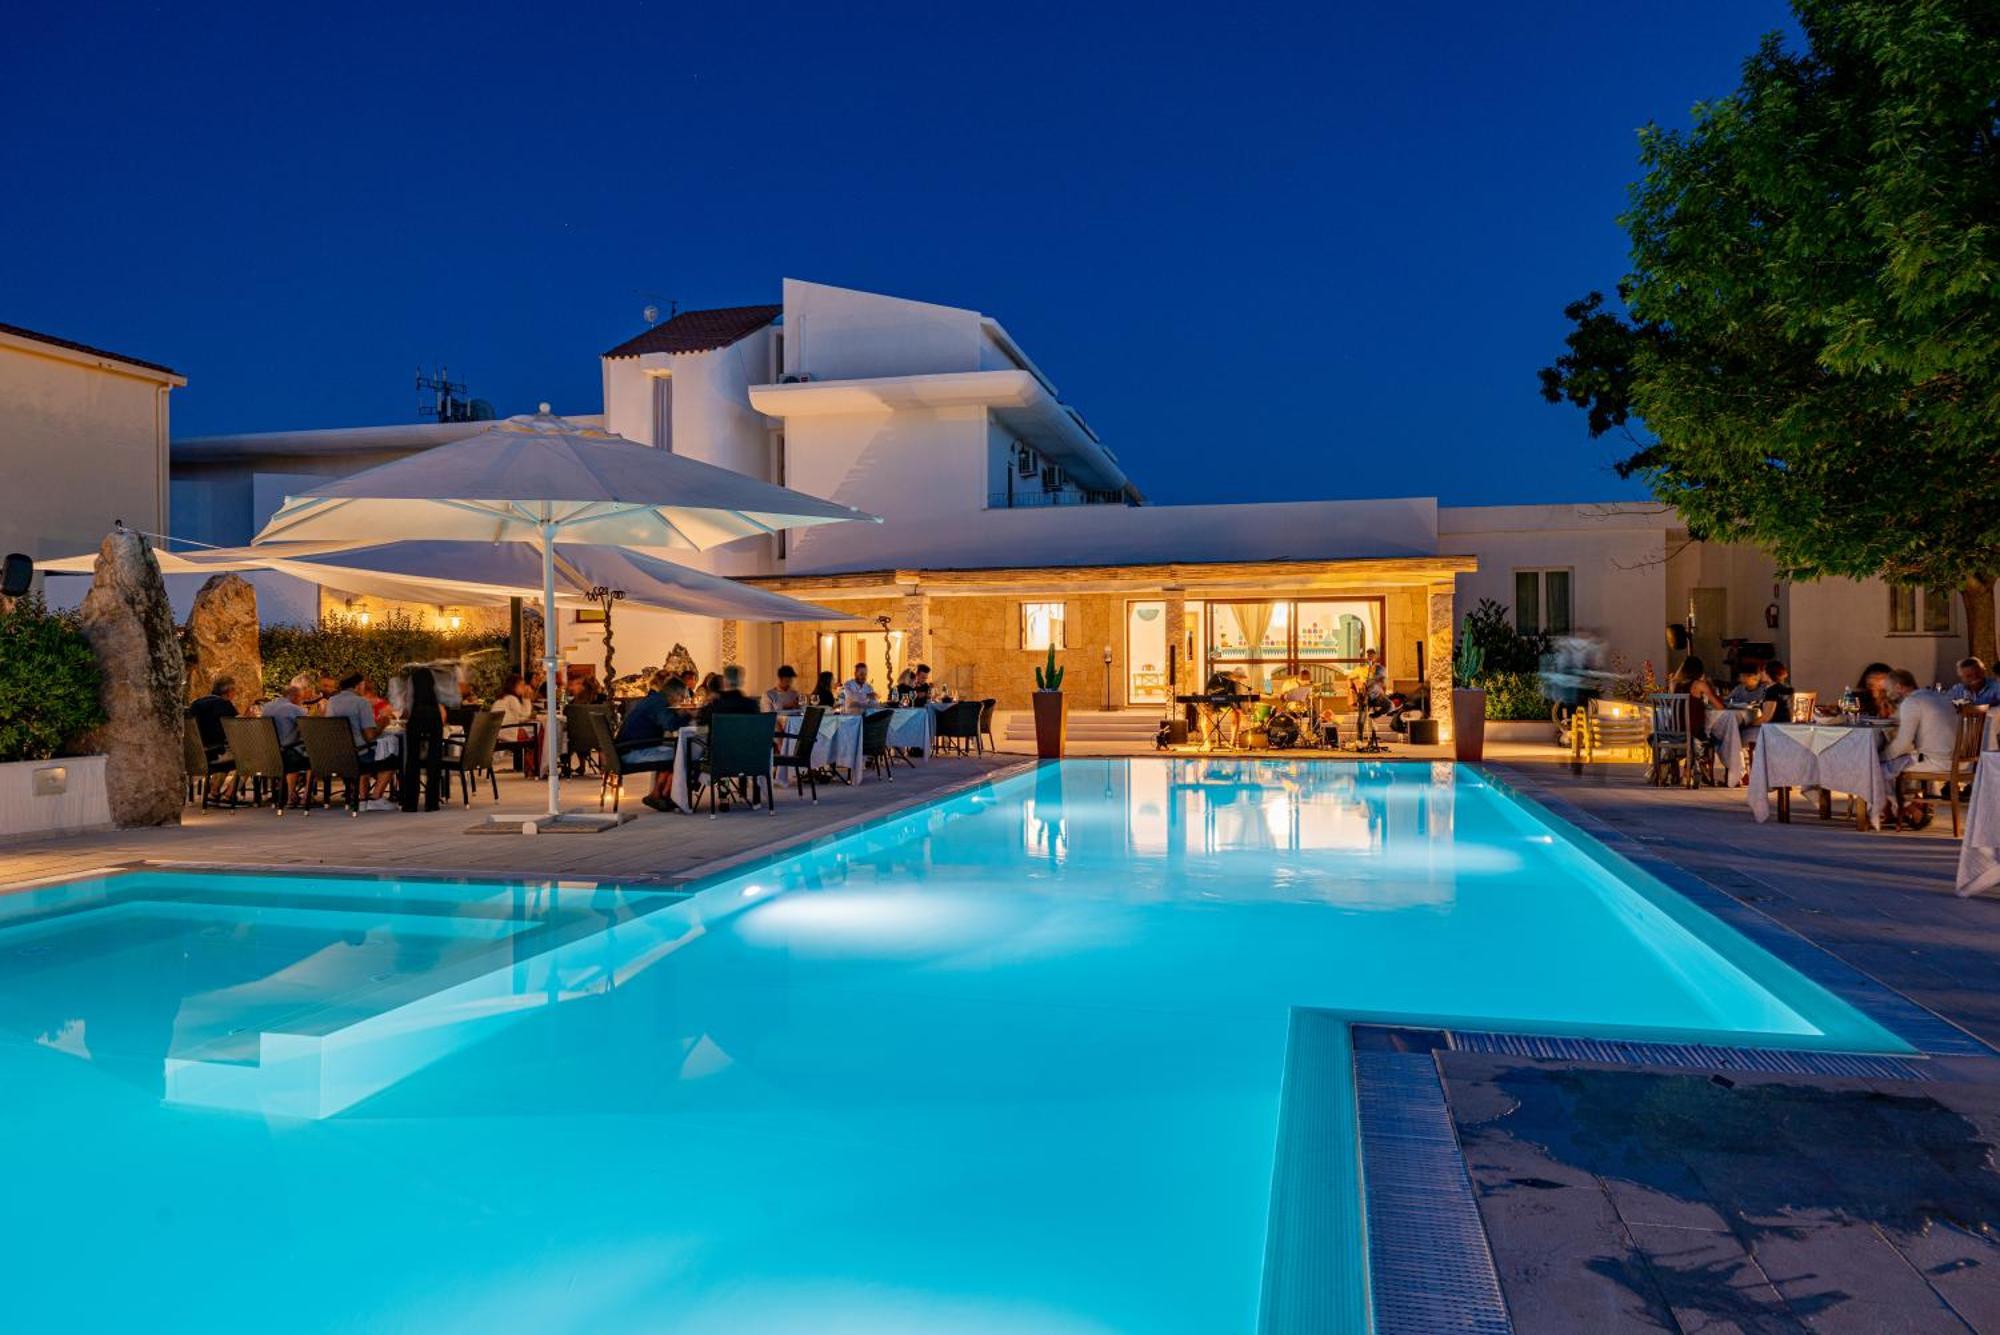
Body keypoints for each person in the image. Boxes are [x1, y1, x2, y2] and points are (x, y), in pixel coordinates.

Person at [617, 671, 694, 812]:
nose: (682, 701)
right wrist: (688, 715)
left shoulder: (654, 699)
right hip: (633, 752)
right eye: (682, 697)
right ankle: (663, 795)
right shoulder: (660, 703)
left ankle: (660, 794)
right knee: (681, 755)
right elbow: (670, 724)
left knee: (674, 751)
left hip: (627, 749)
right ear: (675, 695)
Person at [1670, 656, 1749, 786]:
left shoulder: (1674, 684)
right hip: (1694, 731)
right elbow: (1720, 707)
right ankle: (1730, 770)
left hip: (1676, 730)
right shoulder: (1699, 685)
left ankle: (1688, 773)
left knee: (1713, 730)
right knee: (1721, 733)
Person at [324, 672, 399, 807]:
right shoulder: (361, 702)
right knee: (392, 758)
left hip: (336, 755)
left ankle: (363, 798)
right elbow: (370, 736)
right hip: (358, 755)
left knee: (371, 751)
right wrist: (383, 722)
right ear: (358, 685)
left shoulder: (331, 702)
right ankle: (375, 798)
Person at [1884, 669, 1960, 777]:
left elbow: (1903, 744)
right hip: (1960, 762)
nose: (1887, 694)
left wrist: (1880, 757)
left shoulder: (1911, 702)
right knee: (1900, 760)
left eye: (1888, 690)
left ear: (1898, 687)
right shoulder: (1941, 697)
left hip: (1937, 763)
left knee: (1877, 768)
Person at [396, 663, 448, 812]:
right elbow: (443, 702)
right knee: (434, 759)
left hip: (416, 716)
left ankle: (410, 803)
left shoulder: (412, 678)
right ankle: (432, 803)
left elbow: (408, 703)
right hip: (434, 717)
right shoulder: (437, 678)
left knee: (412, 759)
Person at [490, 671, 543, 780]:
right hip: (507, 731)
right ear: (513, 686)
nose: (524, 688)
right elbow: (524, 715)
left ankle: (531, 767)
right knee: (536, 738)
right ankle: (533, 767)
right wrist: (526, 698)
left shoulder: (503, 698)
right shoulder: (511, 699)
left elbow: (520, 717)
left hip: (498, 731)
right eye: (521, 685)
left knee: (531, 735)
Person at [186, 675, 240, 758]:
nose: (235, 693)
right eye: (234, 690)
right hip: (218, 754)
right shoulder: (225, 705)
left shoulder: (196, 703)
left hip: (197, 755)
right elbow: (237, 730)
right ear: (229, 691)